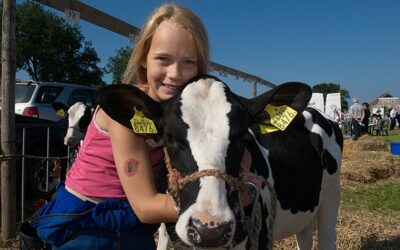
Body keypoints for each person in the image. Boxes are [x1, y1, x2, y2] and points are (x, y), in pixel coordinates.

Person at [26, 4, 210, 249]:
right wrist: (213, 203)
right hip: (86, 224)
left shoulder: (180, 110)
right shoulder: (125, 109)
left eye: (188, 62)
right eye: (163, 59)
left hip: (129, 222)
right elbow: (145, 207)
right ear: (144, 59)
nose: (175, 73)